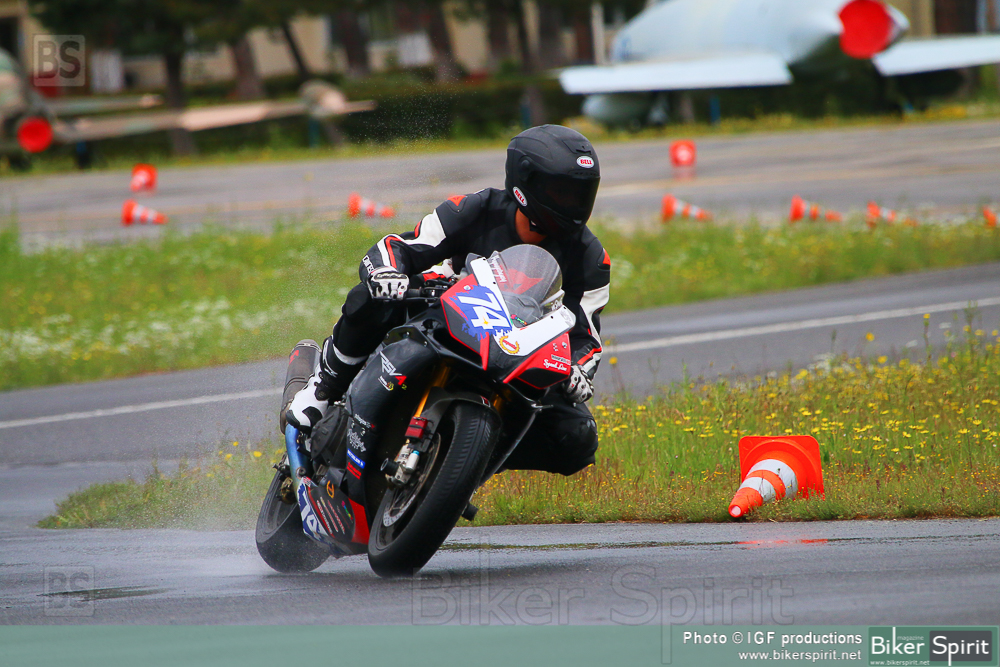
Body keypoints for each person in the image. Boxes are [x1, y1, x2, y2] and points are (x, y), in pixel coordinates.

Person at [286, 124, 611, 476]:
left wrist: (578, 369)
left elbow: (586, 338)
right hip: (445, 313)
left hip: (519, 351)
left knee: (577, 437)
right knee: (370, 298)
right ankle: (324, 388)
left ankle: (460, 470)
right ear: (525, 183)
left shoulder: (592, 259)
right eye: (563, 192)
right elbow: (402, 246)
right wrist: (385, 273)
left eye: (582, 193)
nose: (575, 204)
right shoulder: (476, 207)